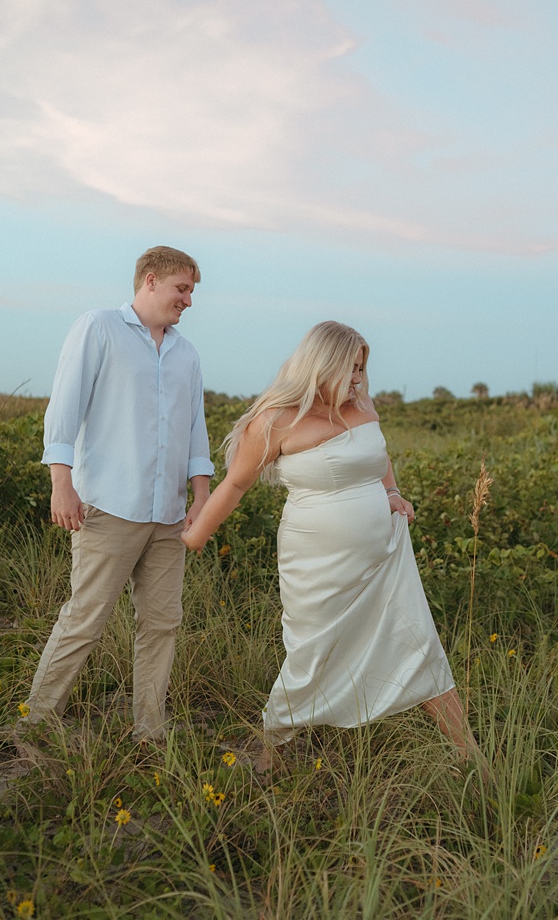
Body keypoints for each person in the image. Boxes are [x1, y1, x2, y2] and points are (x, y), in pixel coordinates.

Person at [181, 320, 487, 776]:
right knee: (313, 653)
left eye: (362, 369)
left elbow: (379, 455)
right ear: (320, 367)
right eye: (351, 369)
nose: (359, 380)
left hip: (383, 556)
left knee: (417, 641)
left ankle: (474, 758)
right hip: (315, 561)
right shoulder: (275, 420)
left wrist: (391, 492)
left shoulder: (362, 403)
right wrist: (194, 536)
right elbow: (235, 484)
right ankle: (273, 752)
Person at [21, 245, 214, 744]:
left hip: (170, 515)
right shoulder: (98, 327)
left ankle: (150, 730)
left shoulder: (186, 353)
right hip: (108, 506)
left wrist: (201, 496)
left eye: (192, 291)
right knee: (85, 618)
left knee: (162, 624)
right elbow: (64, 407)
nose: (188, 301)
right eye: (182, 288)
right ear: (150, 281)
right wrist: (61, 482)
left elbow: (196, 429)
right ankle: (35, 721)